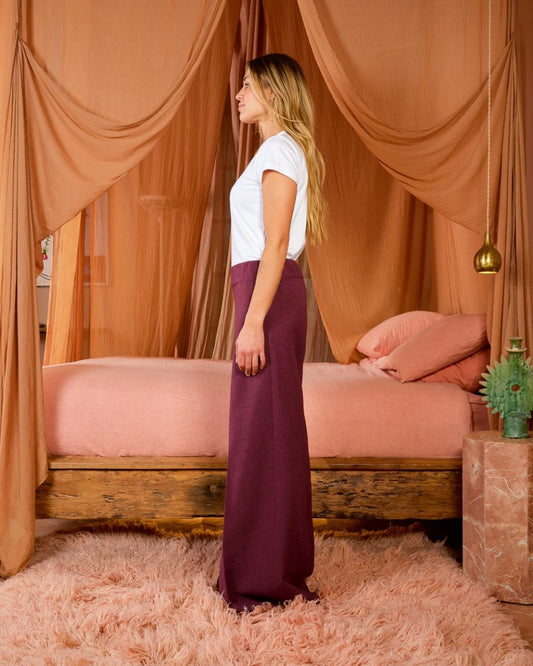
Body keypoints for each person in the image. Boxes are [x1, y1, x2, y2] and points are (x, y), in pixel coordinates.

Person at [217, 53, 326, 612]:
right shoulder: (272, 150)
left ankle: (268, 577)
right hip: (260, 289)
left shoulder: (281, 150)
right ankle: (262, 567)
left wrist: (254, 321)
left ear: (275, 93)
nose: (239, 94)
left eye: (249, 85)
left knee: (267, 433)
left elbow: (277, 243)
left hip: (268, 296)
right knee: (262, 433)